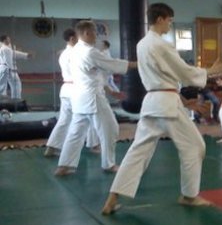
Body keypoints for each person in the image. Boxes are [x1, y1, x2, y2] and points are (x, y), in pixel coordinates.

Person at [101, 3, 222, 215]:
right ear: (160, 19)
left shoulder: (142, 44)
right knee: (194, 146)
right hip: (166, 105)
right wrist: (211, 71)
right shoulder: (161, 45)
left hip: (152, 102)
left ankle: (112, 199)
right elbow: (183, 72)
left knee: (138, 151)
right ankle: (189, 195)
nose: (170, 24)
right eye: (169, 20)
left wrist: (185, 101)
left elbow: (165, 76)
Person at [54, 21, 134, 176]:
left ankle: (64, 165)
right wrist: (136, 64)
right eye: (95, 33)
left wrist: (110, 91)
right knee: (110, 128)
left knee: (75, 133)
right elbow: (113, 64)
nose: (96, 36)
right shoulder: (90, 52)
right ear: (86, 33)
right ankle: (109, 164)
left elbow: (94, 75)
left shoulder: (74, 51)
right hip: (93, 98)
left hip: (78, 98)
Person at [44, 29, 100, 157]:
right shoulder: (76, 53)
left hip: (66, 89)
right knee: (90, 115)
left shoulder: (64, 53)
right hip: (77, 89)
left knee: (64, 120)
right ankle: (94, 145)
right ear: (72, 38)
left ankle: (52, 147)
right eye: (77, 37)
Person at [0, 34, 32, 99]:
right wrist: (12, 69)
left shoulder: (4, 48)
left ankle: (3, 99)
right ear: (5, 40)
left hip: (3, 69)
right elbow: (8, 60)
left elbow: (14, 53)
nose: (10, 40)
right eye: (8, 39)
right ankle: (16, 99)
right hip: (8, 69)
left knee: (3, 86)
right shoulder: (6, 49)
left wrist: (26, 55)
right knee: (16, 84)